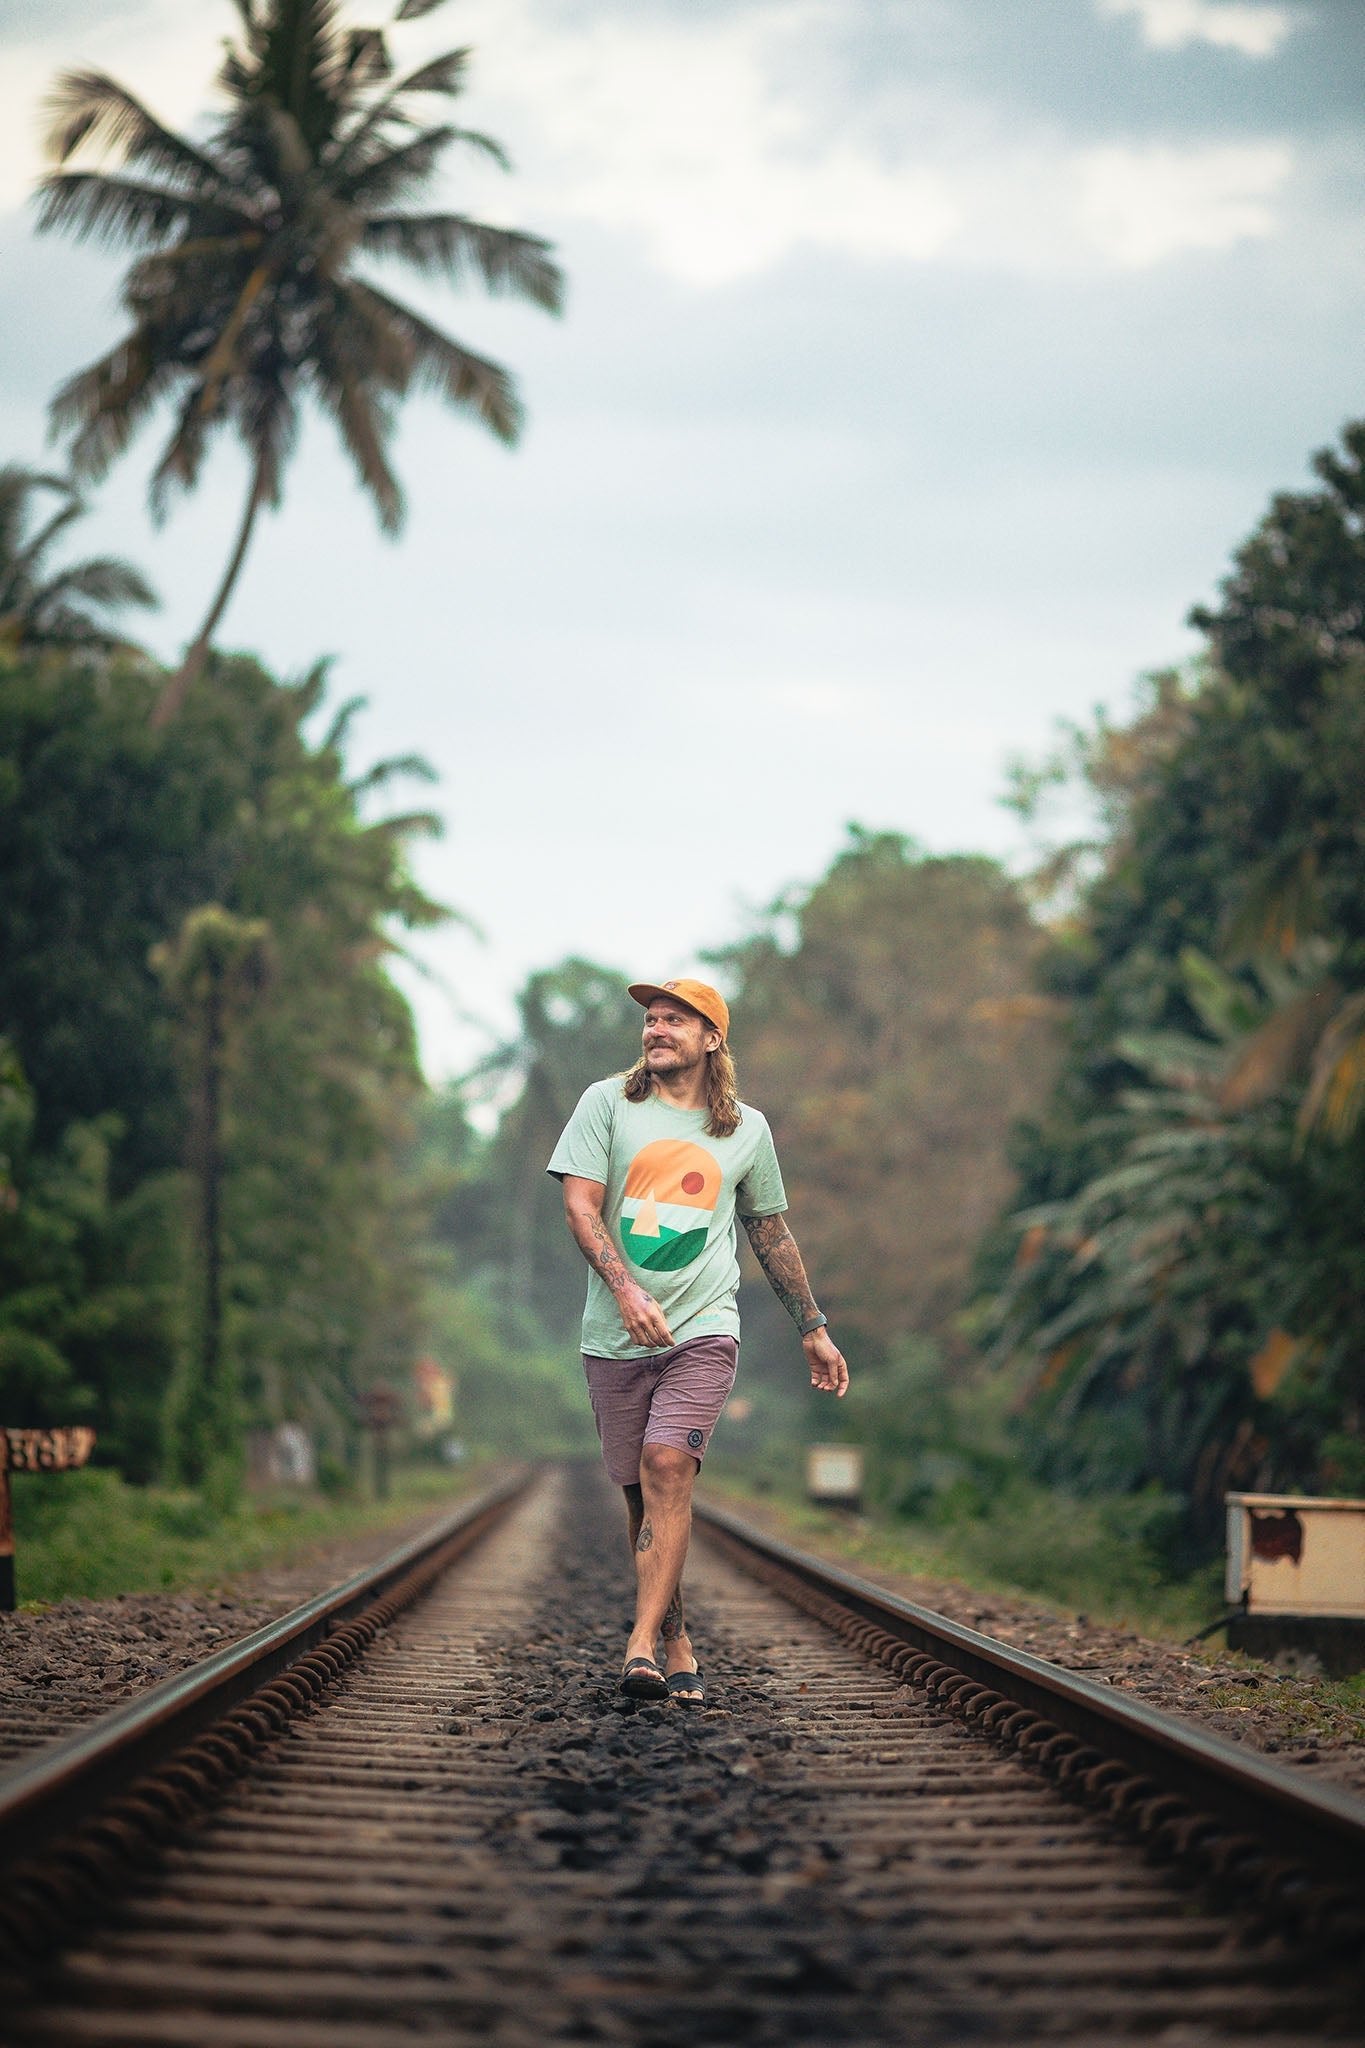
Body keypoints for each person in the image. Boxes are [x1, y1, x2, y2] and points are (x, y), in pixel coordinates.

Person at [547, 976, 849, 1704]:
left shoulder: (745, 1129)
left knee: (667, 1464)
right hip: (614, 1335)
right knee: (637, 1498)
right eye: (651, 1019)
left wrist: (812, 1326)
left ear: (711, 1040)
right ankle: (675, 1637)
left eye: (675, 1020)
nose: (656, 1029)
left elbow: (768, 1228)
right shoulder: (607, 1104)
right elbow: (579, 1206)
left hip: (704, 1327)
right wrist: (625, 1290)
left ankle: (639, 1643)